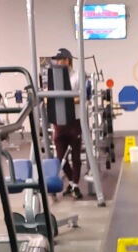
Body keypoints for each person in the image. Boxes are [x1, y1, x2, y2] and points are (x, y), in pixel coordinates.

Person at [50, 47, 83, 200]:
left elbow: (81, 97)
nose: (59, 62)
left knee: (76, 156)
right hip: (59, 122)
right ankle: (71, 182)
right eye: (57, 60)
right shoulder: (54, 77)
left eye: (61, 59)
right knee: (60, 157)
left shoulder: (78, 76)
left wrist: (65, 100)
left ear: (68, 60)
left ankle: (75, 185)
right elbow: (49, 97)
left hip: (74, 120)